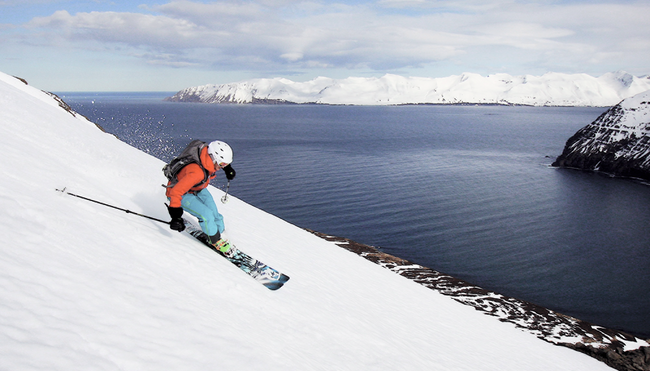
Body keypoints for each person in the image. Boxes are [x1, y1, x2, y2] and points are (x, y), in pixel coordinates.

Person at [166, 140, 236, 253]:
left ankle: (218, 231)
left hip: (197, 188)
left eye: (225, 165)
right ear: (213, 158)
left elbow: (219, 160)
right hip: (181, 193)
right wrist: (175, 217)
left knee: (215, 214)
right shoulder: (196, 172)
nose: (222, 167)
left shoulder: (207, 157)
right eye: (222, 164)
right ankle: (215, 240)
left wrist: (227, 169)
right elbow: (176, 192)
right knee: (206, 215)